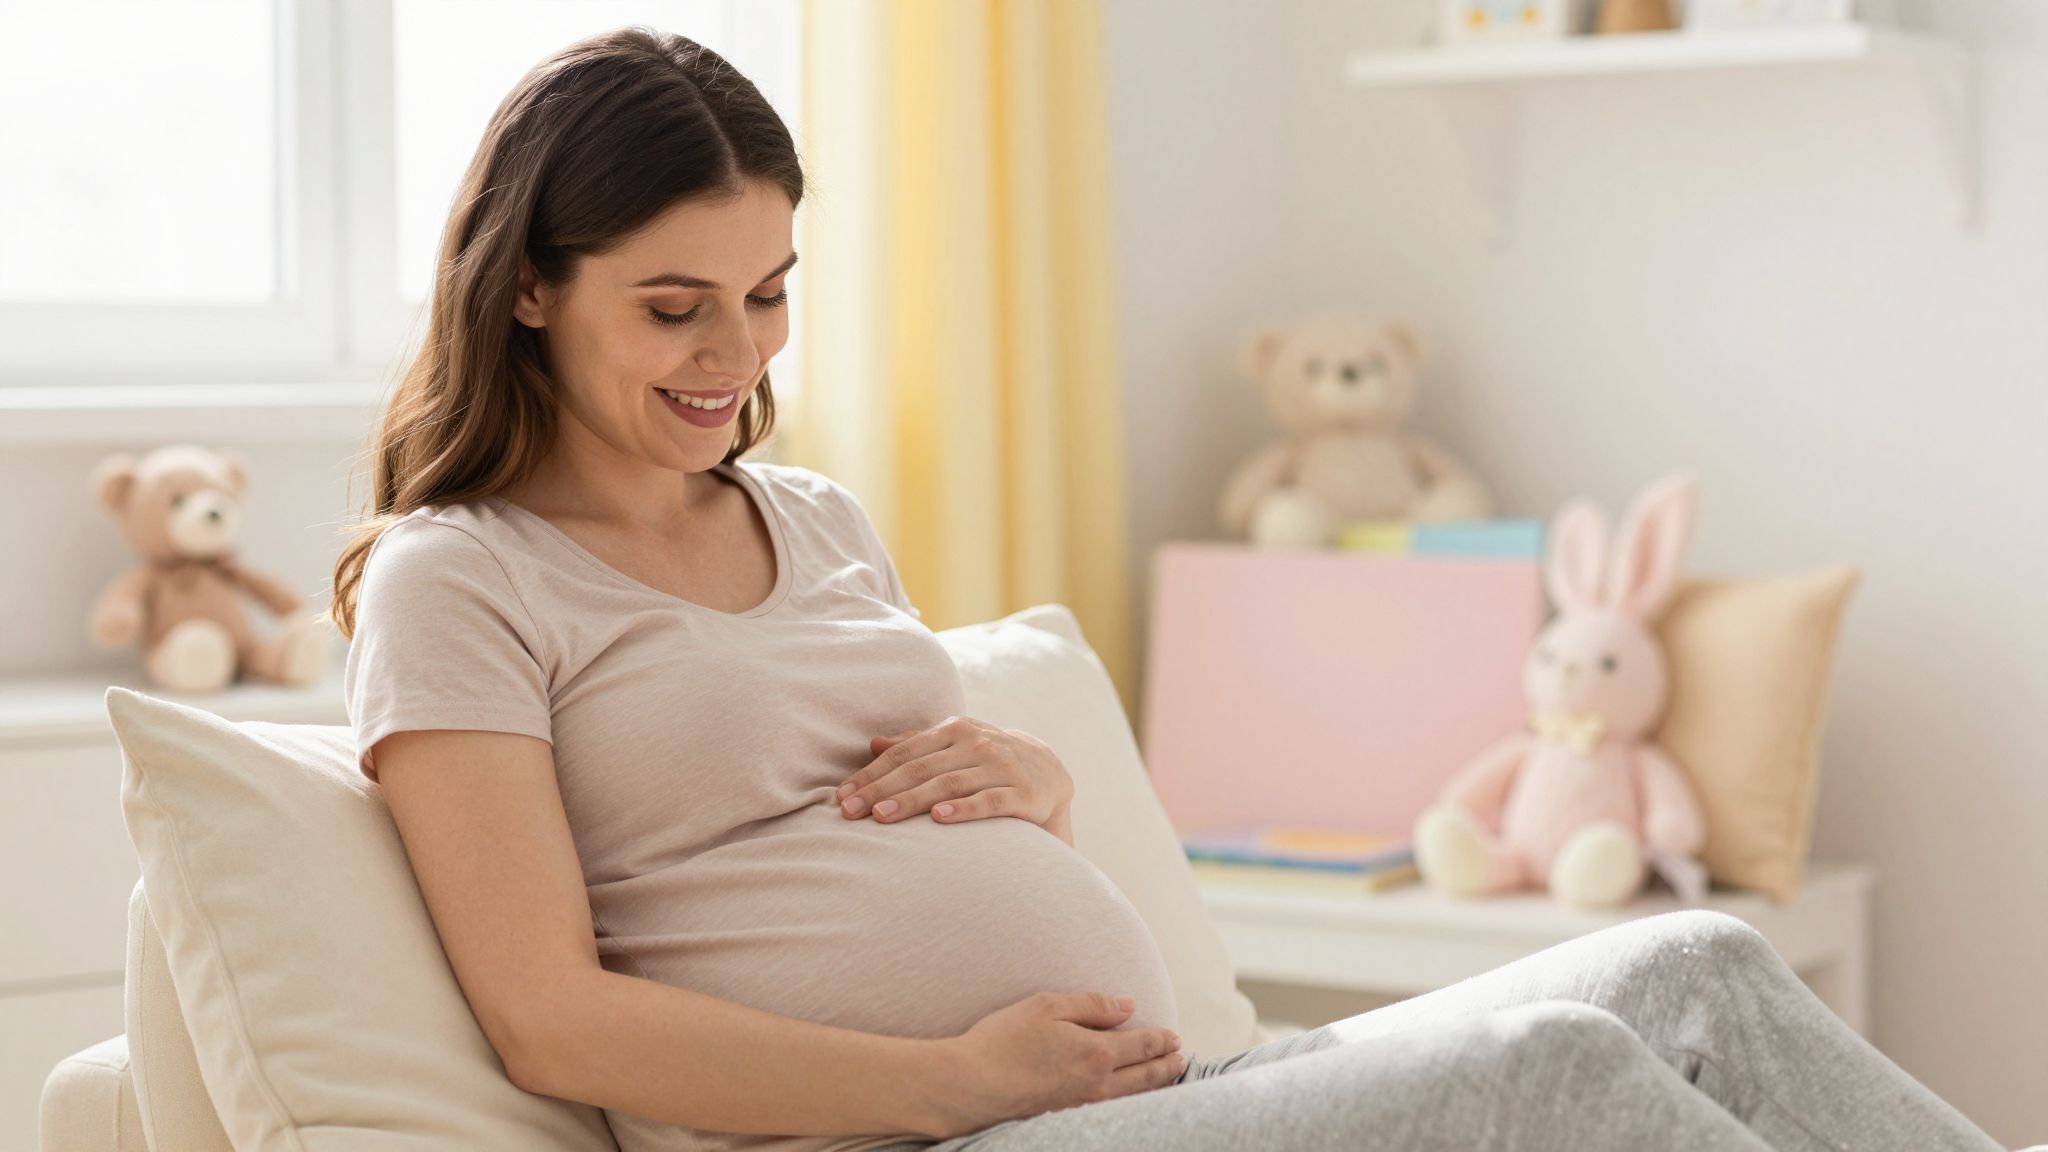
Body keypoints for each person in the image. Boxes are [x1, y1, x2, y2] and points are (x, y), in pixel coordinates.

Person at [329, 26, 2005, 1152]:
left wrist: (1037, 786)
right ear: (530, 287)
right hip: (940, 1136)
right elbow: (548, 1020)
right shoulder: (461, 580)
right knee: (1545, 1077)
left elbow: (864, 818)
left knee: (1691, 960)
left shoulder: (818, 518)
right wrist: (950, 1077)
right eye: (674, 304)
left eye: (769, 294)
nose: (738, 354)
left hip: (1151, 1096)